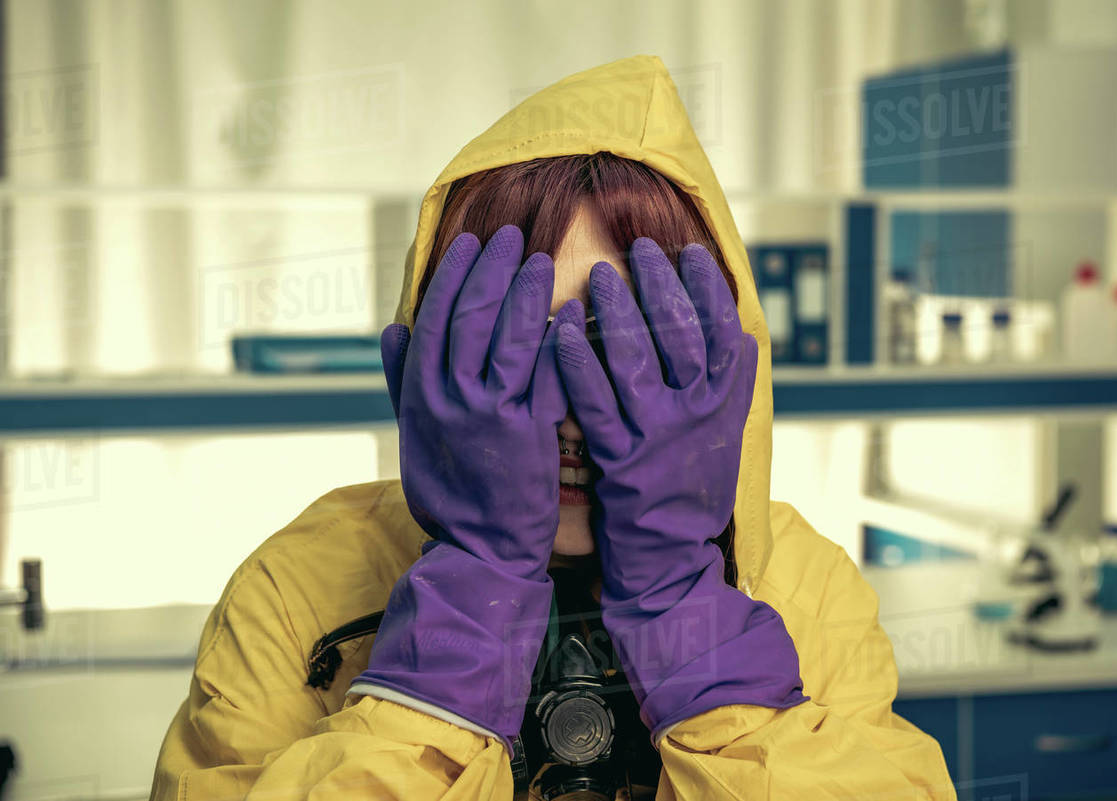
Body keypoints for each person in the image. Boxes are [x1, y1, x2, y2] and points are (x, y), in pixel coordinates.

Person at [150, 54, 955, 800]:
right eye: (515, 340)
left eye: (626, 346)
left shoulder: (805, 587)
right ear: (427, 358)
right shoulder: (300, 587)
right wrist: (467, 606)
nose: (572, 414)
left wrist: (689, 617)